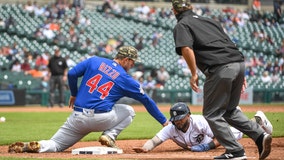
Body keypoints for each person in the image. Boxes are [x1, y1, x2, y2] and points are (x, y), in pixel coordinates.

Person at [8, 46, 168, 153]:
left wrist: (74, 93)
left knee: (56, 145)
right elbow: (147, 101)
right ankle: (110, 135)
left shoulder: (94, 60)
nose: (132, 65)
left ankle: (38, 146)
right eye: (132, 62)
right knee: (129, 110)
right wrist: (163, 122)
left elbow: (71, 74)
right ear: (125, 59)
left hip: (78, 117)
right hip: (102, 118)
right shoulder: (126, 79)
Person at [170, 1, 272, 159]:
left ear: (174, 11)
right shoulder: (210, 21)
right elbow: (230, 44)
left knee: (211, 113)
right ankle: (260, 135)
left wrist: (193, 73)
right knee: (229, 111)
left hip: (220, 68)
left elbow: (186, 48)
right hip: (238, 63)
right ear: (191, 7)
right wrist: (240, 73)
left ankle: (235, 151)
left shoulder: (182, 25)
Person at [133, 102, 273, 153]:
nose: (177, 122)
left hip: (217, 136)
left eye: (180, 118)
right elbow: (155, 141)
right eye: (175, 120)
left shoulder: (199, 121)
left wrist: (207, 147)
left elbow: (220, 137)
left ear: (188, 115)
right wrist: (145, 148)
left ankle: (258, 119)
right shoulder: (171, 128)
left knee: (238, 132)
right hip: (206, 138)